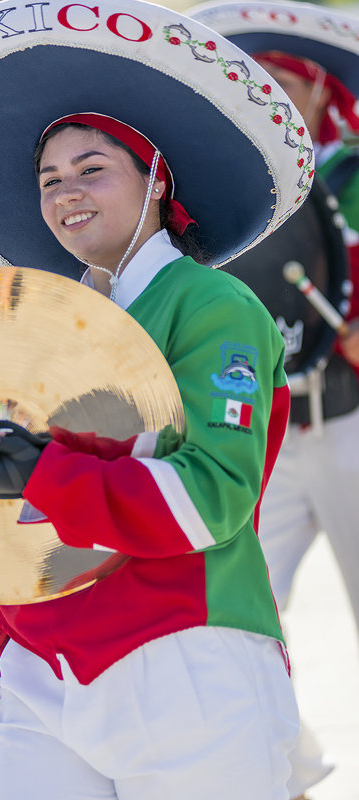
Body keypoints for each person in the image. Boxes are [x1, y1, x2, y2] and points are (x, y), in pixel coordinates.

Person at [0, 2, 317, 797]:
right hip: (39, 662)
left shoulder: (211, 306)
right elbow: (17, 512)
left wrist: (40, 472)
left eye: (93, 169)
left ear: (157, 179)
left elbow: (211, 500)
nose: (65, 193)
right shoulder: (45, 325)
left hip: (186, 655)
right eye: (49, 179)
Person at [186, 2, 359, 798]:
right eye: (262, 88)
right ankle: (286, 771)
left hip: (354, 421)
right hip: (267, 433)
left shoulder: (354, 172)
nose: (275, 100)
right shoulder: (228, 190)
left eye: (287, 83)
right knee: (233, 615)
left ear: (321, 89)